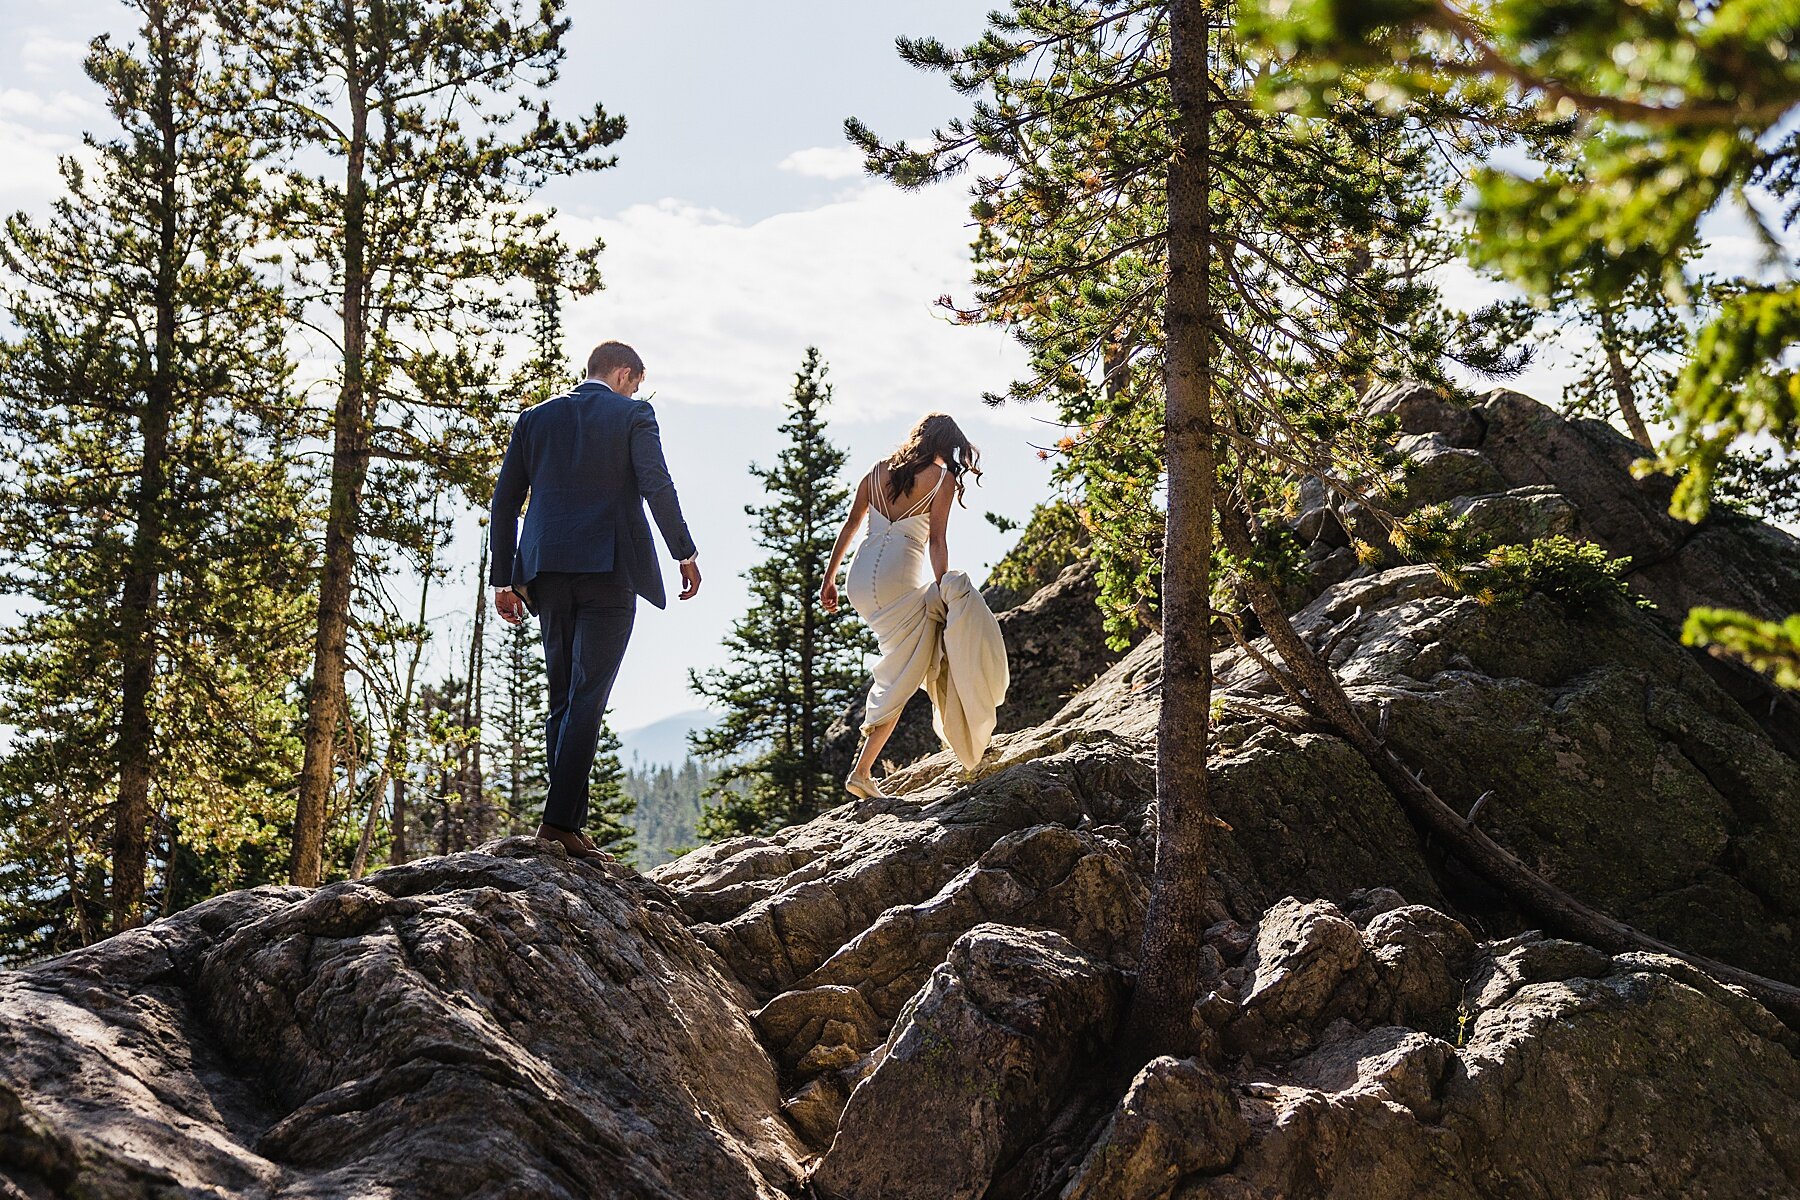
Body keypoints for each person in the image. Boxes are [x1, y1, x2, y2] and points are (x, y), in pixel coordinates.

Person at [488, 340, 701, 861]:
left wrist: (504, 578)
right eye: (635, 383)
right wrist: (684, 551)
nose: (636, 392)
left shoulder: (533, 420)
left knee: (563, 694)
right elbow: (656, 483)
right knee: (588, 693)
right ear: (624, 373)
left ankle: (568, 824)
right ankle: (559, 823)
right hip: (610, 568)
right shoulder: (634, 415)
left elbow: (505, 501)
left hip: (546, 571)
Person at [821, 412, 1008, 798]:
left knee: (917, 657)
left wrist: (829, 579)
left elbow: (850, 526)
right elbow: (936, 542)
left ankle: (961, 735)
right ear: (944, 445)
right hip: (898, 581)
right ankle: (863, 771)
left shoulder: (877, 472)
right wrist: (944, 588)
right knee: (907, 671)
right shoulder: (942, 479)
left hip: (859, 581)